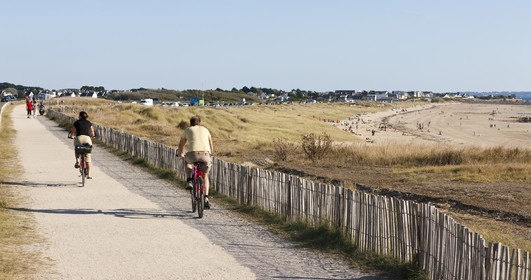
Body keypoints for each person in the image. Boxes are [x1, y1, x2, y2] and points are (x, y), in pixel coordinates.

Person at [178, 116, 214, 209]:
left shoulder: (187, 130)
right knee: (205, 175)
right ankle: (206, 198)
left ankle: (189, 180)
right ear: (200, 122)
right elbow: (211, 143)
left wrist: (180, 153)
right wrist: (211, 154)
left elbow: (181, 144)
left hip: (192, 154)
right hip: (205, 154)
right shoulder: (205, 130)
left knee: (187, 162)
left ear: (190, 123)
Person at [69, 111, 95, 179]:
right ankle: (89, 174)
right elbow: (92, 132)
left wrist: (72, 136)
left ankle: (77, 160)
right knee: (88, 158)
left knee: (77, 149)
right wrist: (91, 136)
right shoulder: (89, 123)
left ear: (80, 116)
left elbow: (73, 132)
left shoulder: (77, 122)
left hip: (79, 138)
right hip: (87, 139)